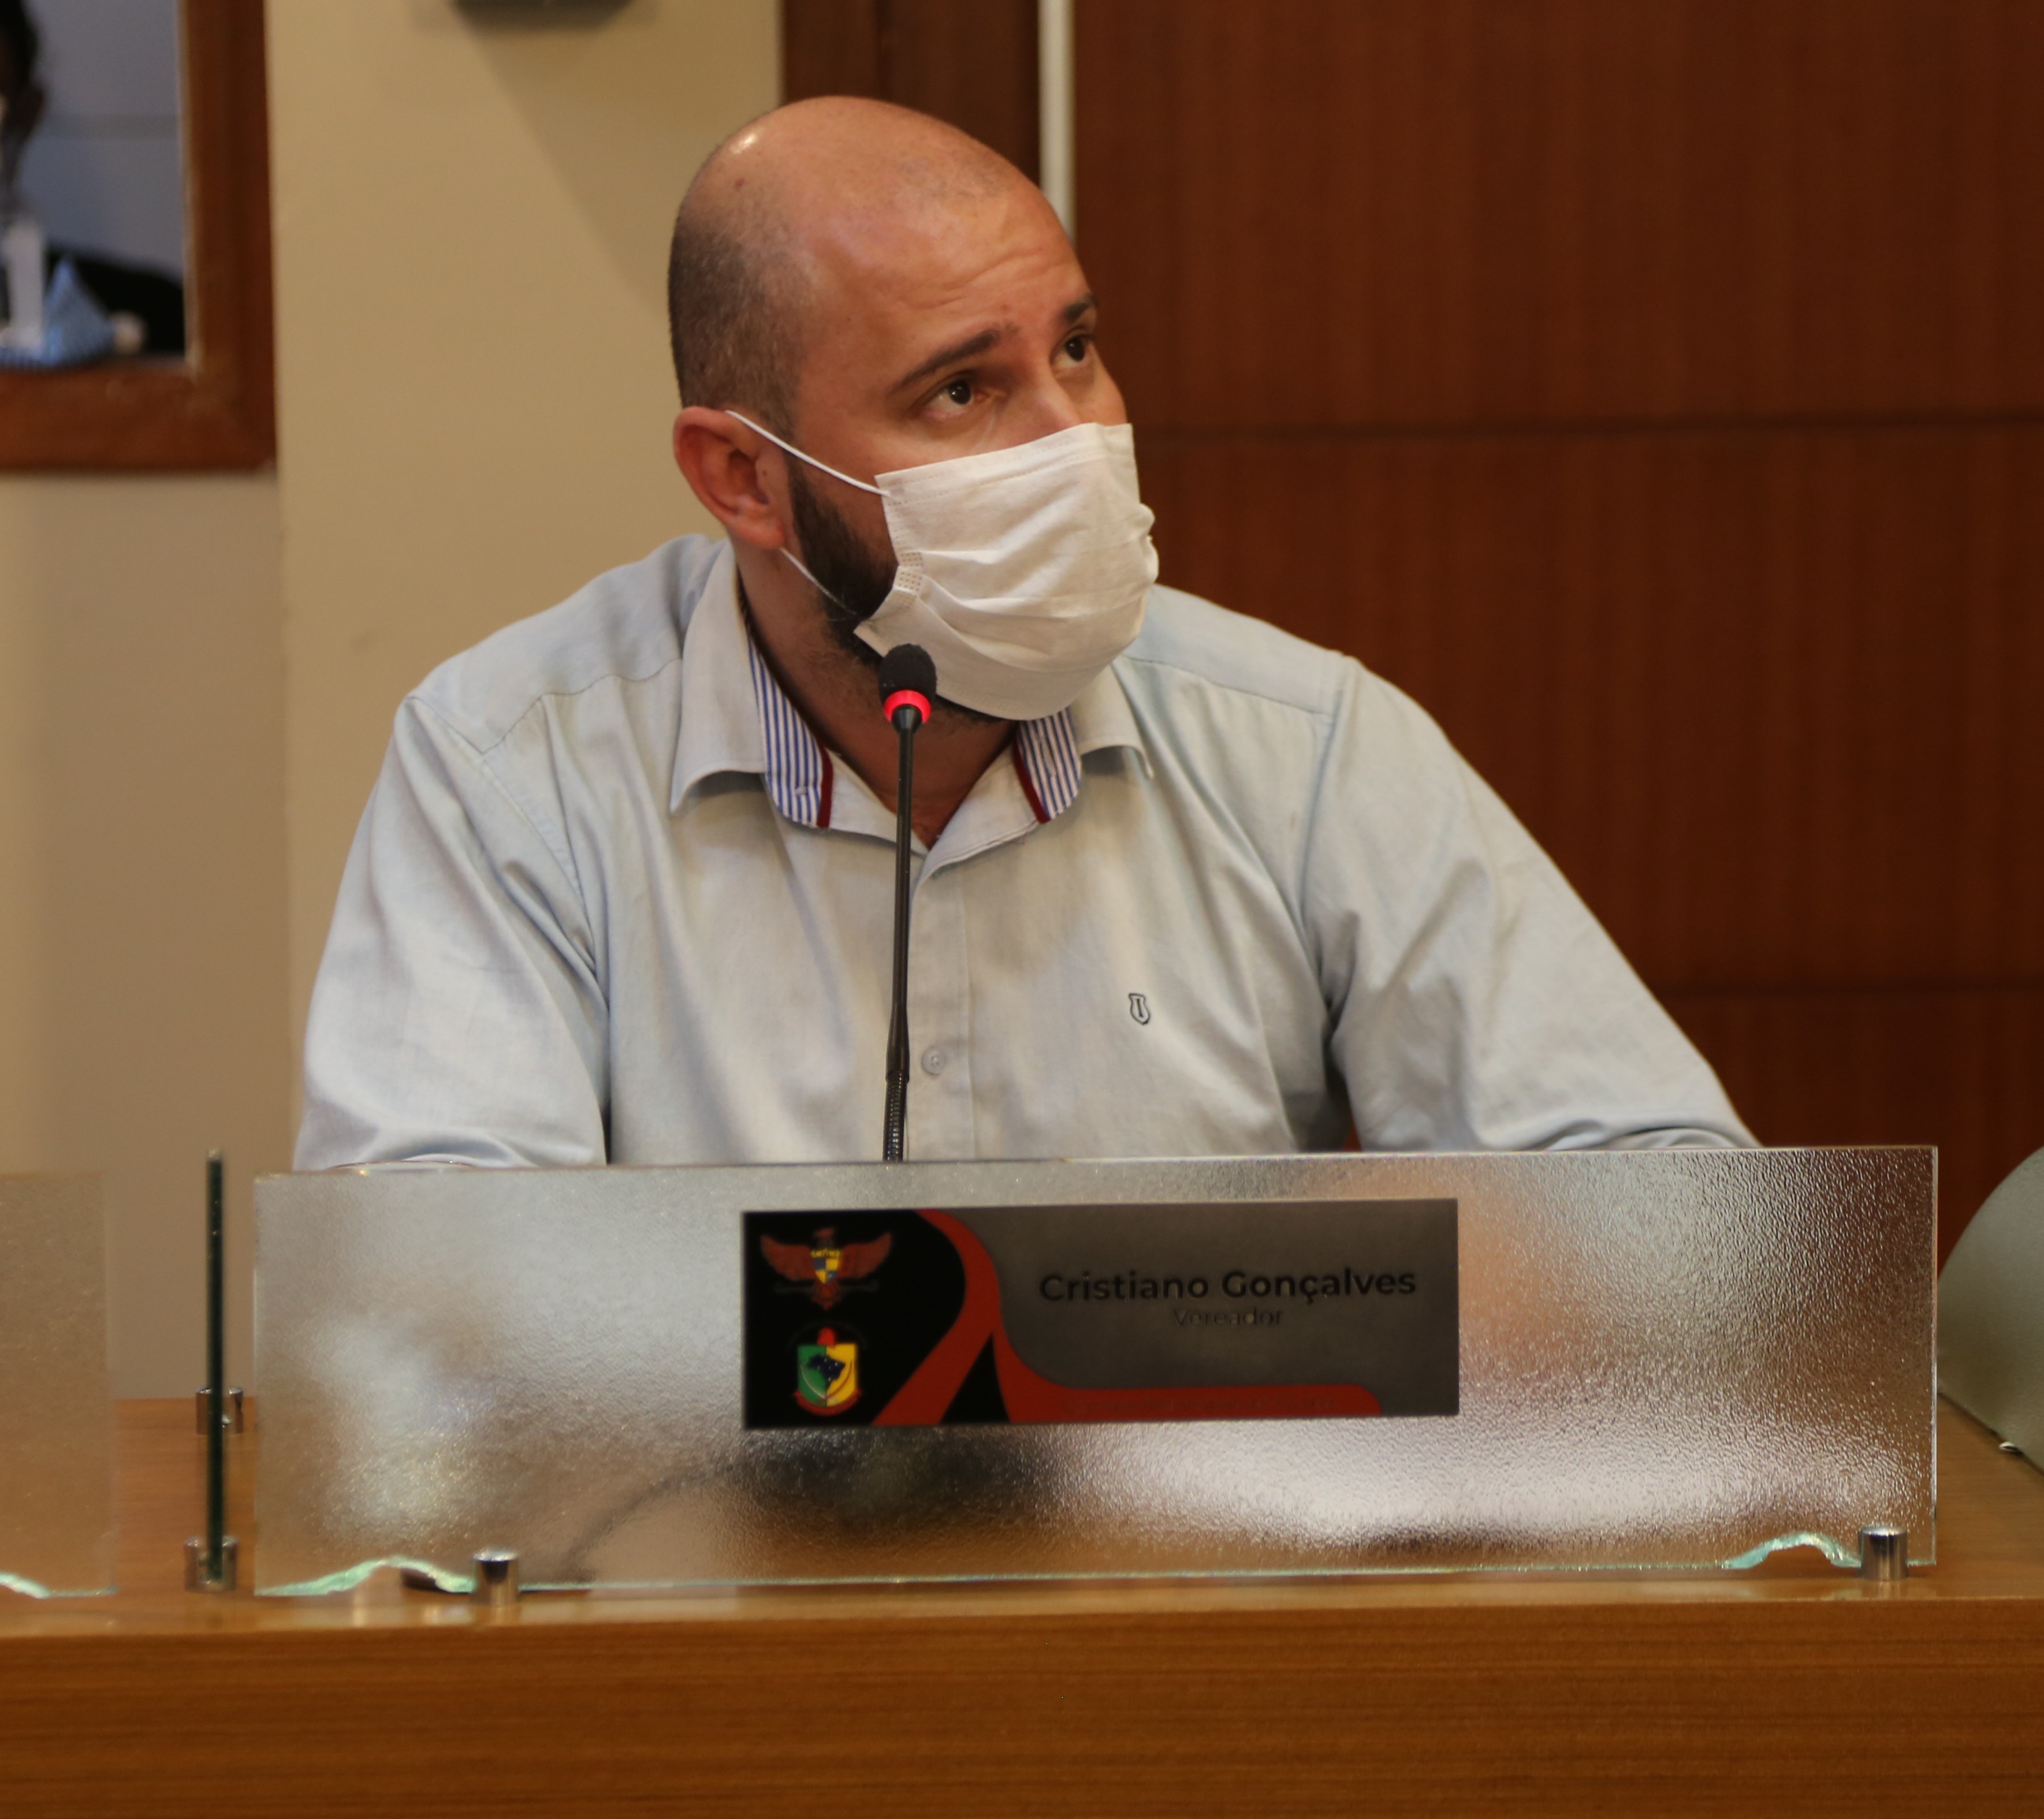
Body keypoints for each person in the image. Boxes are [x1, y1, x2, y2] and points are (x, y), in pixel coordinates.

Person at [296, 98, 1750, 1170]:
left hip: (1207, 1508)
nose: (1075, 439)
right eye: (962, 391)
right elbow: (435, 1310)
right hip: (714, 1513)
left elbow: (1660, 1198)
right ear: (742, 477)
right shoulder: (512, 768)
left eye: (1076, 349)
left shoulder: (1301, 745)